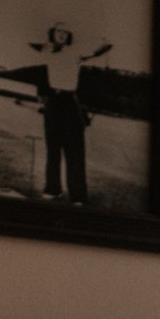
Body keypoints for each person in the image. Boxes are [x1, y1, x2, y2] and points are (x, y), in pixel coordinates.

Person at [28, 20, 110, 204]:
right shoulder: (47, 50)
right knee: (53, 150)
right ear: (53, 33)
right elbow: (30, 41)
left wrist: (104, 39)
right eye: (59, 31)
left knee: (75, 151)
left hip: (70, 102)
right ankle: (52, 189)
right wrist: (50, 43)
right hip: (53, 102)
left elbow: (104, 47)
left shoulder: (76, 51)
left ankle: (78, 196)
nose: (62, 35)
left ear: (69, 36)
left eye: (66, 32)